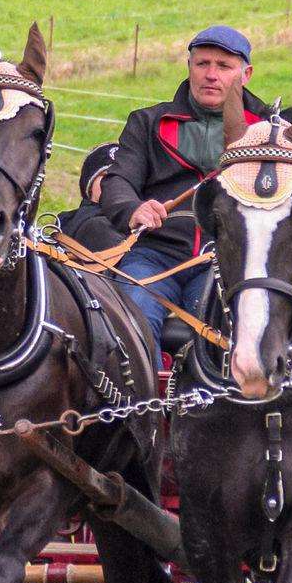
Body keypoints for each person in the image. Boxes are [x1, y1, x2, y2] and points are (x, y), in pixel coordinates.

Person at [100, 25, 269, 354]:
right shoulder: (146, 122)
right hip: (151, 257)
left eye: (224, 66)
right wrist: (133, 208)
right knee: (132, 315)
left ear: (245, 74)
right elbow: (118, 181)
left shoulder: (266, 132)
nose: (211, 75)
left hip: (225, 262)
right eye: (202, 63)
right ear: (189, 66)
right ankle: (141, 402)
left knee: (220, 326)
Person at [54, 144, 125, 253]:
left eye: (122, 178)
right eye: (105, 176)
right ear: (89, 184)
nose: (113, 183)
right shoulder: (74, 222)